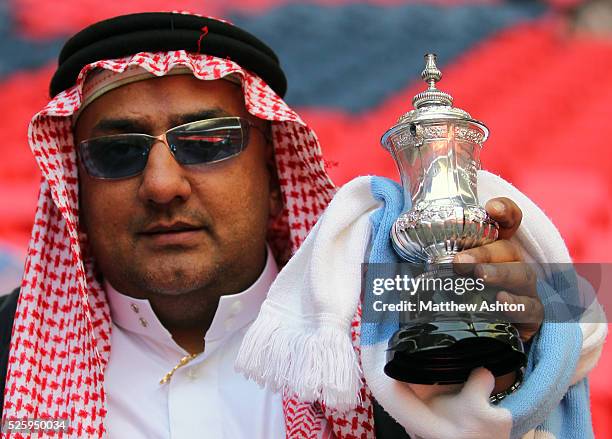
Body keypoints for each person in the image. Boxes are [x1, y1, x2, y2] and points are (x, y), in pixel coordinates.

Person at [0, 11, 605, 439]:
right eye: (116, 152)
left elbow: (589, 310)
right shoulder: (9, 355)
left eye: (209, 142)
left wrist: (533, 332)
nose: (162, 185)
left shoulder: (388, 325)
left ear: (272, 176)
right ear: (73, 187)